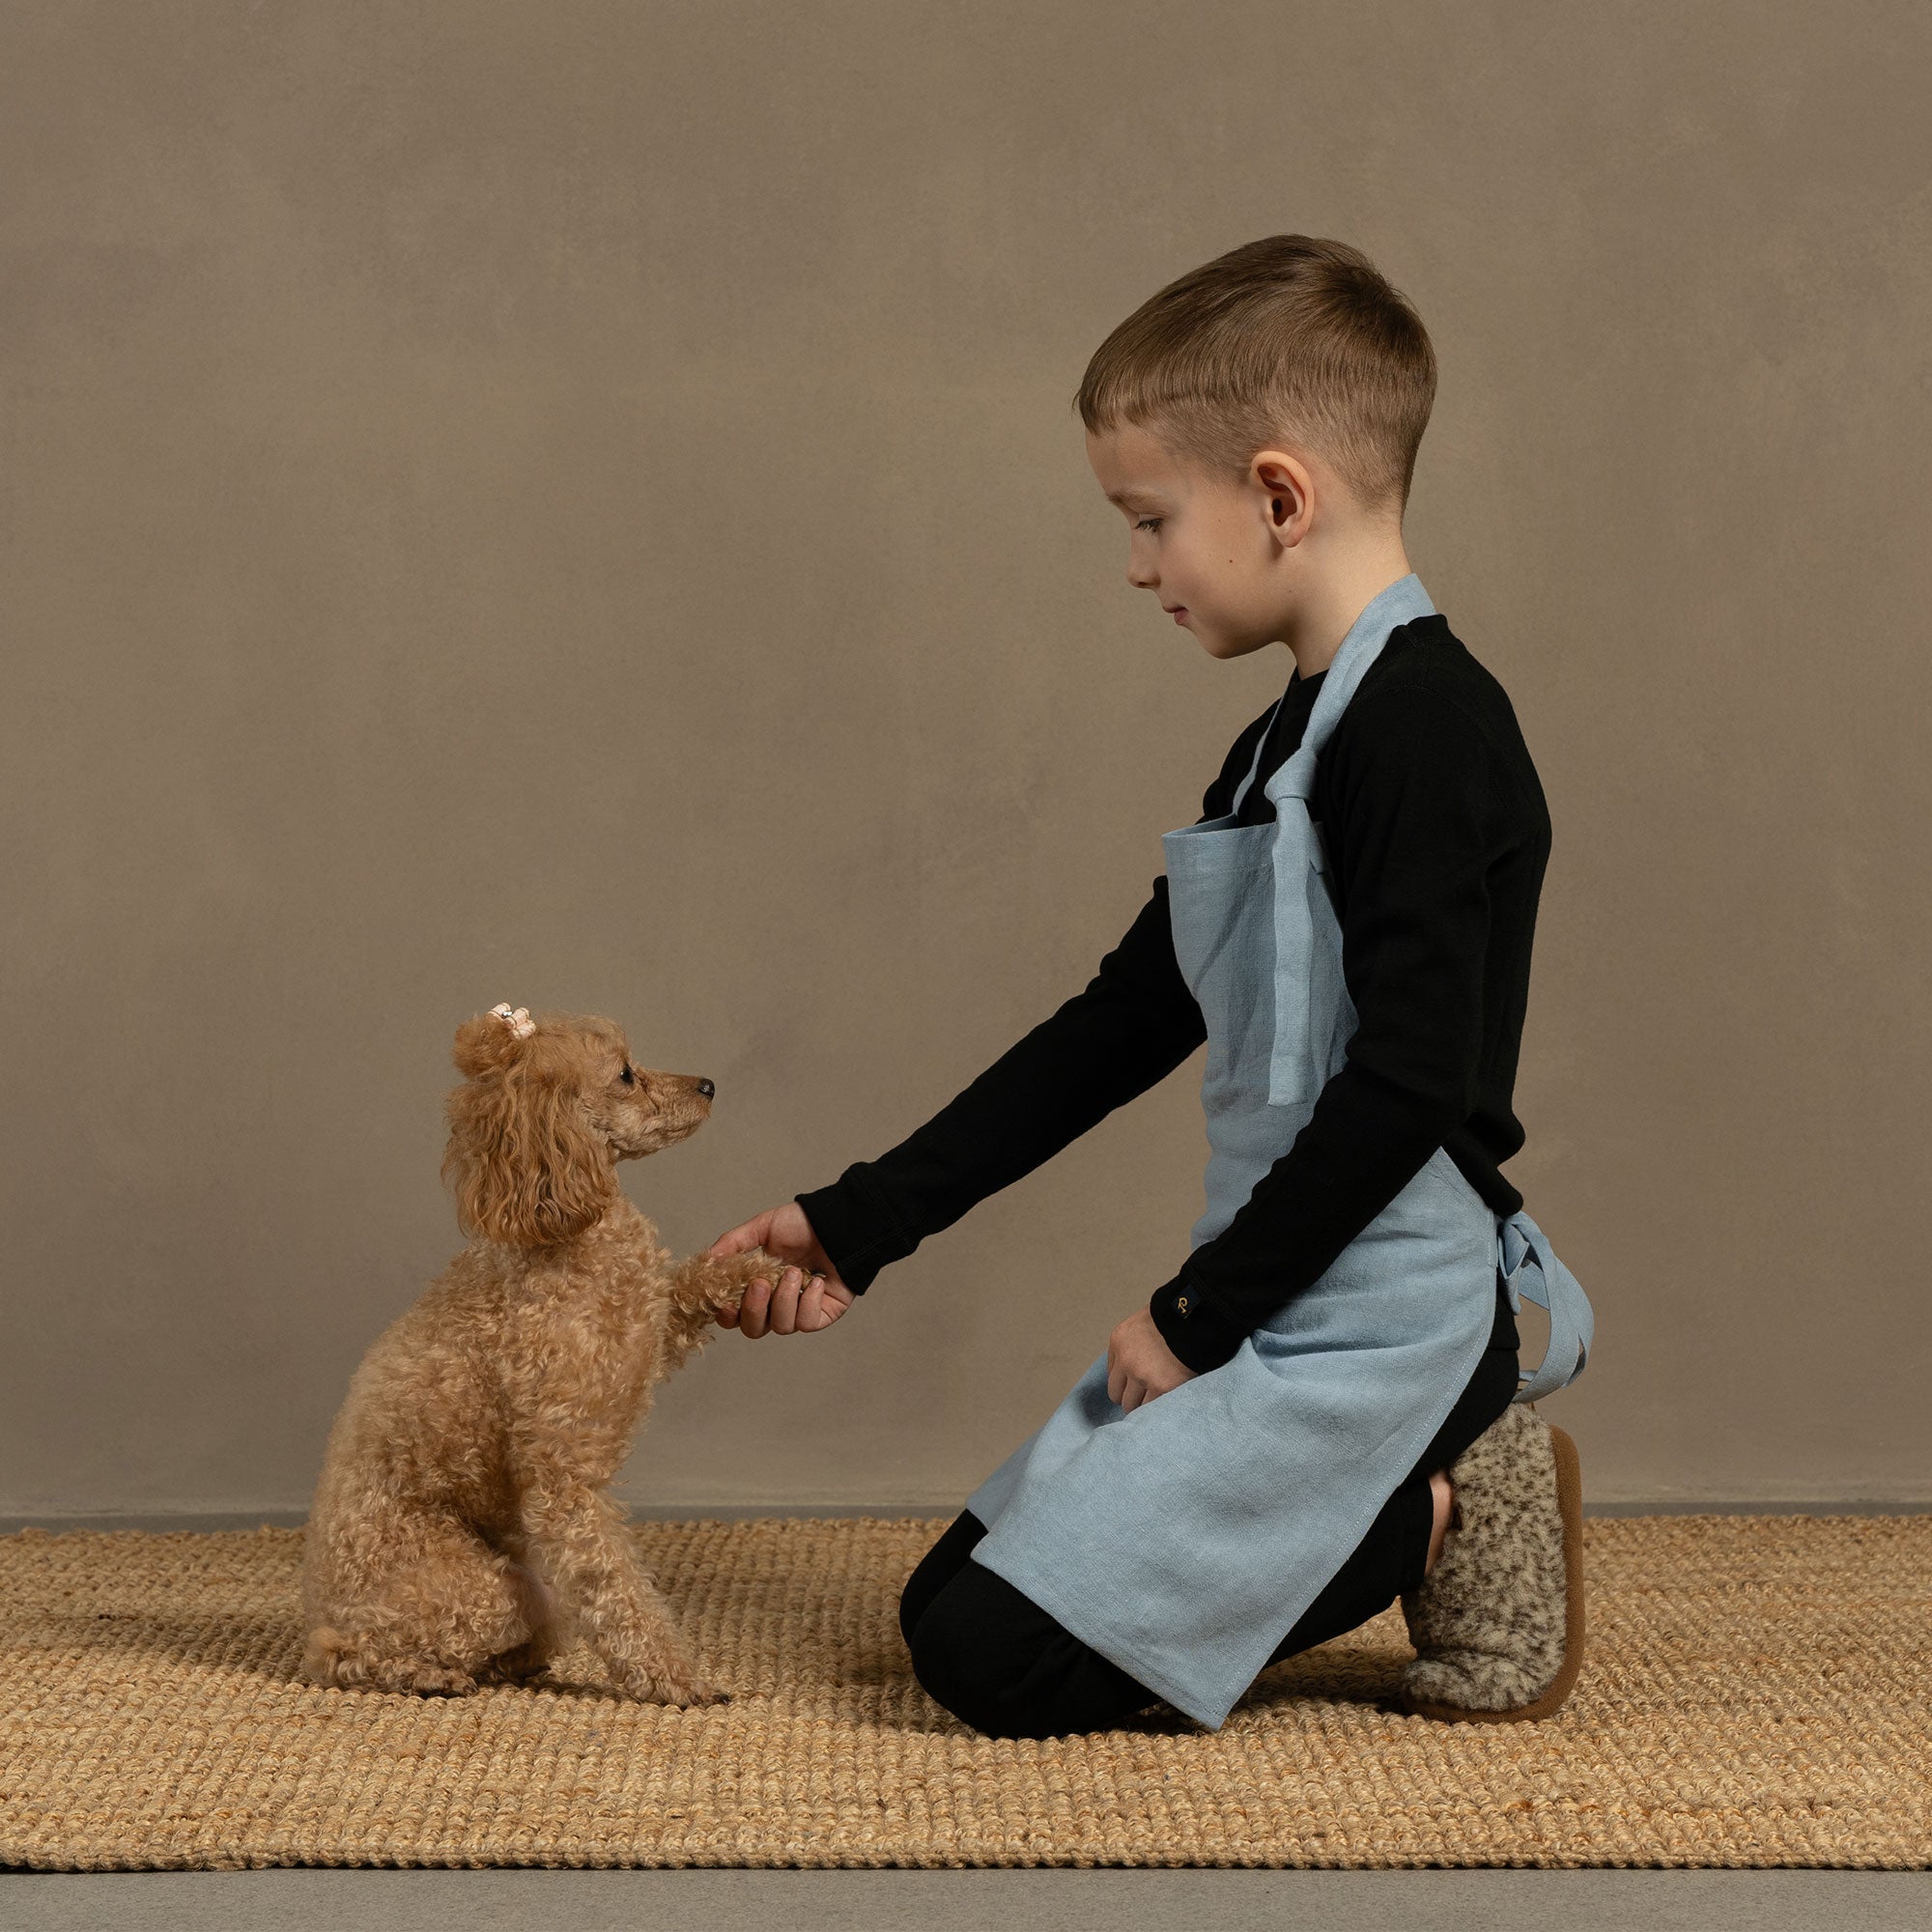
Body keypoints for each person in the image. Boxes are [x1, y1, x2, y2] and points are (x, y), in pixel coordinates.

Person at [707, 234, 1593, 1738]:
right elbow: (1122, 1022)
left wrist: (1196, 1318)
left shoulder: (1431, 732)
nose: (1135, 567)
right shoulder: (1279, 747)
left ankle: (1454, 1490)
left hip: (1386, 1302)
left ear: (1278, 494)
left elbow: (1411, 1089)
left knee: (991, 1665)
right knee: (945, 1608)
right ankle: (1390, 1483)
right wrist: (866, 1222)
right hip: (1281, 1282)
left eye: (1148, 520)